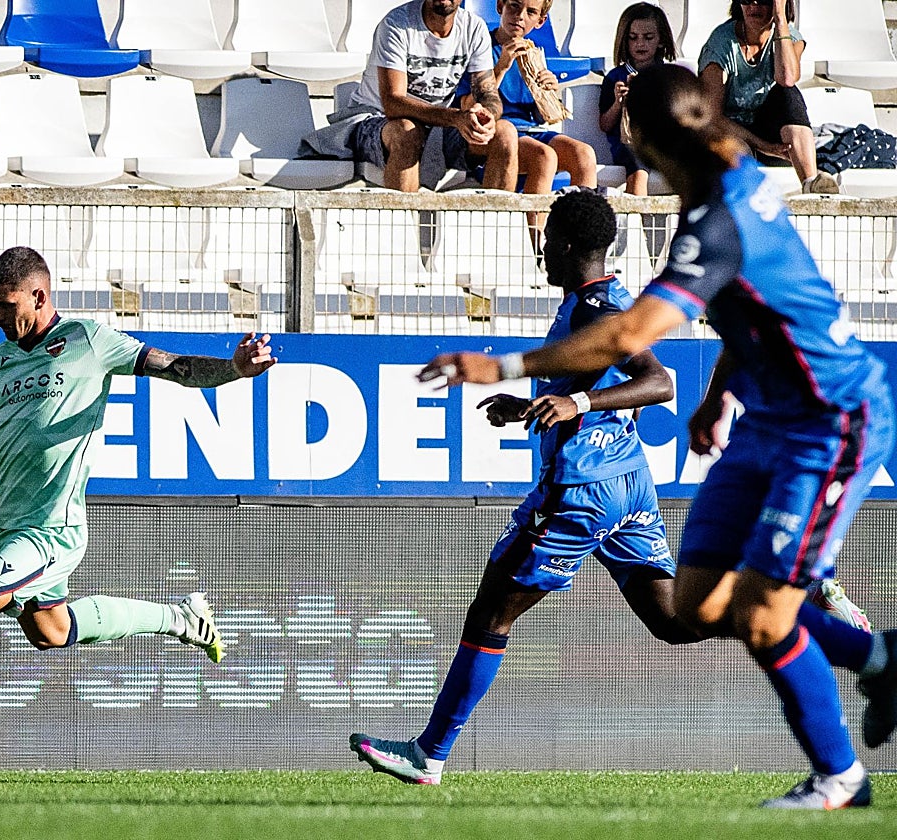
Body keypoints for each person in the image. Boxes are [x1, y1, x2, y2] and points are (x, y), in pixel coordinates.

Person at [417, 64, 897, 809]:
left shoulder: (720, 216)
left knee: (766, 617)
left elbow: (632, 336)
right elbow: (757, 305)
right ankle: (877, 657)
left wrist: (501, 364)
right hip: (767, 417)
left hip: (831, 419)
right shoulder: (723, 184)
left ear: (639, 134)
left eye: (621, 116)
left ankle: (840, 776)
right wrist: (717, 396)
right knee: (699, 608)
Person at [348, 189, 869, 786]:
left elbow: (657, 382)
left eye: (547, 242)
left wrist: (575, 400)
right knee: (677, 621)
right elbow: (592, 380)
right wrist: (532, 406)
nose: (541, 252)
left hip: (581, 491)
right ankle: (807, 607)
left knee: (490, 612)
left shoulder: (596, 308)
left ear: (568, 246)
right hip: (626, 485)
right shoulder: (602, 302)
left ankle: (430, 755)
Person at [0, 246, 276, 772]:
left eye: (4, 303)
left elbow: (173, 366)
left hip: (53, 532)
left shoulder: (87, 341)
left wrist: (237, 370)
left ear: (39, 295)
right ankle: (182, 618)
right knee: (51, 631)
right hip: (14, 531)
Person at [347, 0, 518, 192]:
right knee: (407, 131)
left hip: (440, 127)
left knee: (505, 134)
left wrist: (486, 116)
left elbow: (487, 93)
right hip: (378, 120)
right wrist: (456, 118)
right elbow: (393, 103)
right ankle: (402, 220)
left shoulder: (474, 28)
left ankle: (496, 222)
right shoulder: (396, 23)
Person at [485, 0, 597, 251]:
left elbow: (540, 116)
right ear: (500, 5)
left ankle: (582, 247)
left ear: (540, 21)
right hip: (498, 131)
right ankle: (537, 250)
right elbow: (472, 101)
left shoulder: (535, 51)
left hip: (530, 130)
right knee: (544, 156)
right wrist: (501, 67)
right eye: (514, 7)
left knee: (584, 155)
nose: (520, 17)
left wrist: (547, 92)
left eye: (530, 12)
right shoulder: (483, 46)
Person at [697, 0, 838, 194]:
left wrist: (781, 19)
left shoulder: (791, 38)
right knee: (738, 149)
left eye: (763, 1)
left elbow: (787, 78)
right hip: (730, 129)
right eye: (747, 0)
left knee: (788, 93)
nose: (753, 7)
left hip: (772, 133)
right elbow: (711, 116)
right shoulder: (721, 44)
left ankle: (811, 183)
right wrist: (763, 146)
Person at [597, 2, 677, 196]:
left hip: (664, 144)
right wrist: (618, 103)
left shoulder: (670, 75)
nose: (640, 44)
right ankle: (636, 223)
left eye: (648, 37)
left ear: (660, 40)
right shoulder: (615, 77)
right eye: (633, 38)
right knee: (639, 168)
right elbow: (605, 125)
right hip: (630, 146)